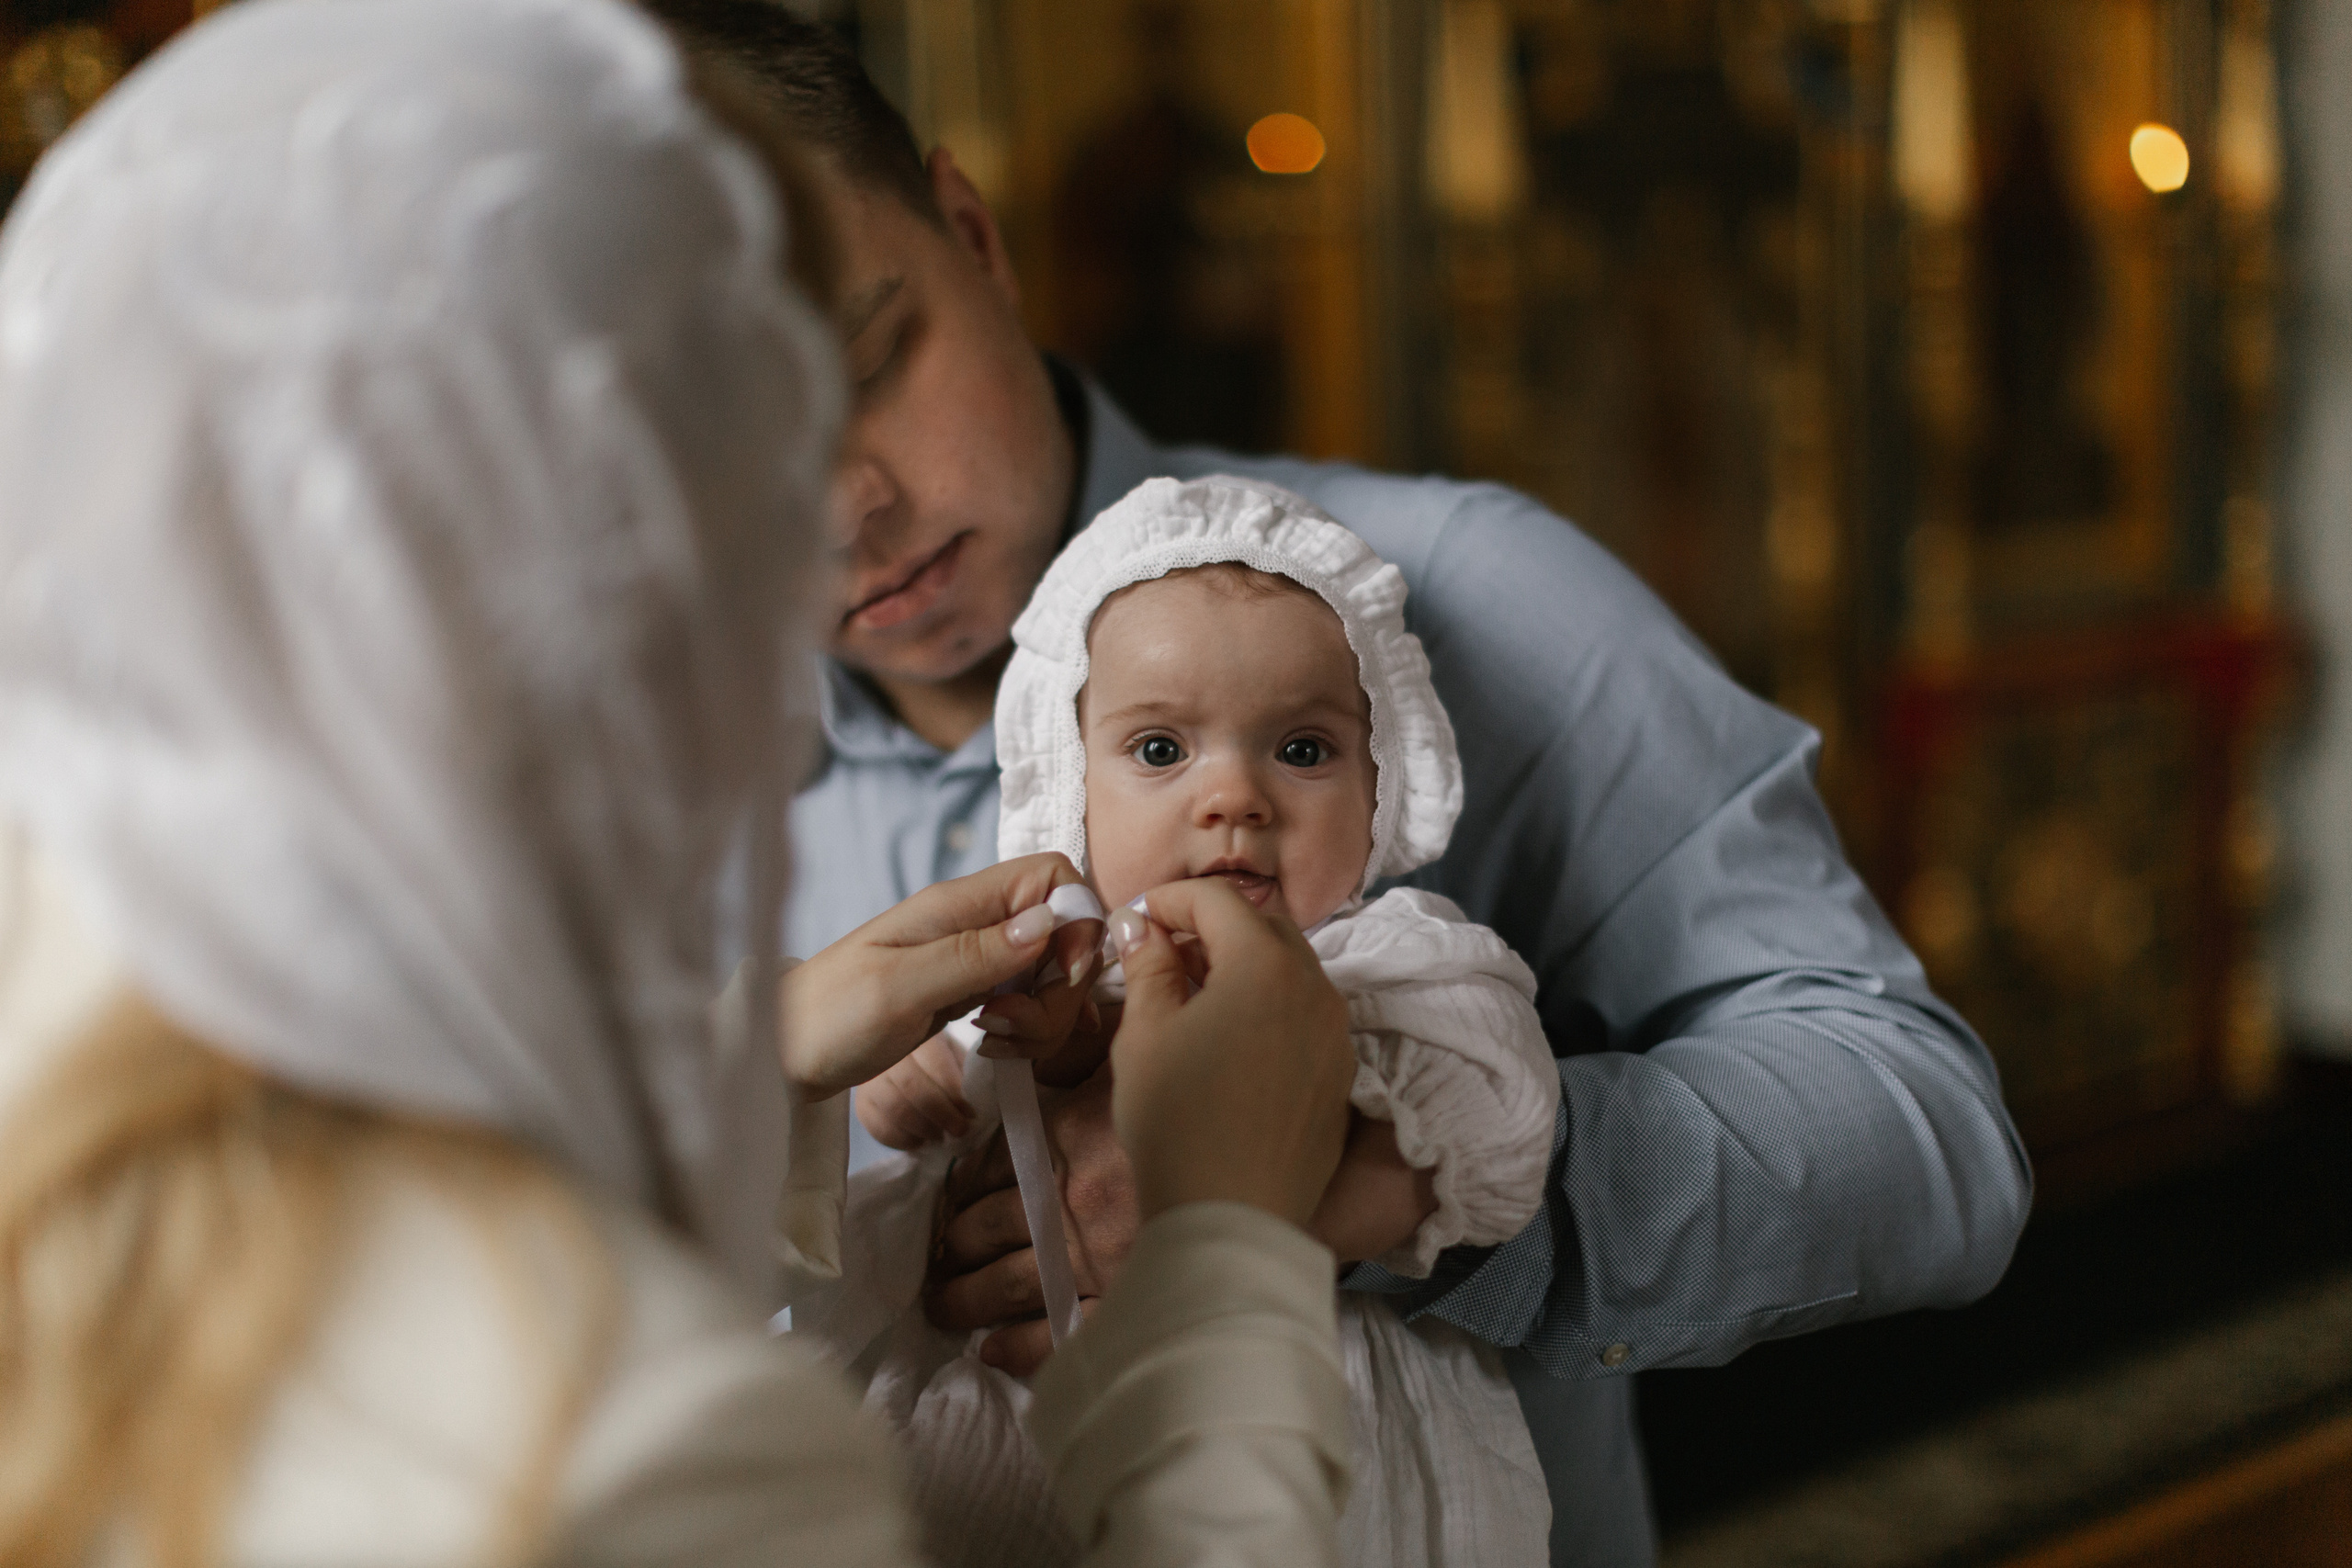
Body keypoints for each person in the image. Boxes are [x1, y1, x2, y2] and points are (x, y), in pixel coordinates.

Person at [643, 6, 2037, 1563]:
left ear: (972, 232)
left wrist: (1351, 1187)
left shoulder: (1478, 595)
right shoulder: (635, 784)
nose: (844, 510)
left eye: (868, 361)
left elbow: (1931, 1137)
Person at [0, 3, 1365, 1562]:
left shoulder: (76, 1187)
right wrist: (1230, 1245)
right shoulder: (634, 1439)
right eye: (743, 477)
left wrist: (744, 1086)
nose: (843, 512)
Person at [831, 476, 1560, 1567]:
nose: (1234, 799)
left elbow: (1498, 1121)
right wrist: (934, 1068)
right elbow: (970, 1122)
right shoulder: (1049, 963)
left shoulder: (1393, 965)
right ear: (1069, 788)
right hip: (1004, 1462)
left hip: (1313, 1441)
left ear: (1386, 783)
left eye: (1301, 750)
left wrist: (1263, 1217)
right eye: (1162, 751)